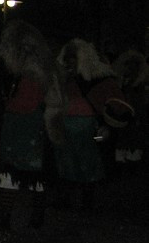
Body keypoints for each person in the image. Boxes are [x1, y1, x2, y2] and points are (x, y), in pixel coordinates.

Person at [0, 20, 64, 230]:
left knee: (25, 175)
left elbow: (28, 104)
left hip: (28, 129)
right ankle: (23, 216)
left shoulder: (34, 75)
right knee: (22, 175)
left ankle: (22, 217)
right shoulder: (32, 72)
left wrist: (9, 106)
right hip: (25, 129)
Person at [53, 39, 133, 210]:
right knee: (67, 161)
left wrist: (108, 126)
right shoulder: (66, 80)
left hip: (92, 129)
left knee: (90, 162)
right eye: (66, 58)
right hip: (66, 126)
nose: (68, 62)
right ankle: (66, 198)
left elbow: (117, 104)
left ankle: (87, 200)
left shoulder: (100, 79)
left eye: (72, 58)